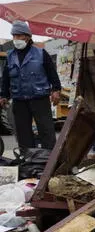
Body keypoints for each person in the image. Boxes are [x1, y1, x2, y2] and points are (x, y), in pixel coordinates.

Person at [0, 21, 61, 150]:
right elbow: (6, 78)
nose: (15, 39)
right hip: (19, 100)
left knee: (46, 130)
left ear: (27, 36)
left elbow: (52, 73)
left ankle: (48, 159)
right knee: (23, 133)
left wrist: (56, 90)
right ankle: (28, 161)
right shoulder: (10, 55)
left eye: (18, 36)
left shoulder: (40, 53)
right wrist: (3, 95)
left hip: (40, 98)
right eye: (14, 36)